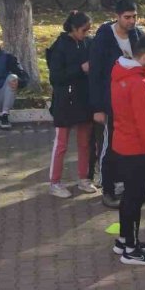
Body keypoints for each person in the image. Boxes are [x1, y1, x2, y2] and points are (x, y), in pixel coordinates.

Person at [88, 0, 145, 208]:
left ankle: (134, 188)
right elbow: (95, 74)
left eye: (134, 16)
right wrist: (98, 108)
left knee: (136, 148)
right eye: (127, 17)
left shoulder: (139, 36)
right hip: (112, 103)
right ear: (117, 16)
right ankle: (108, 190)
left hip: (136, 102)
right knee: (110, 148)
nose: (132, 21)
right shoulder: (103, 39)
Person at [110, 35, 145, 265]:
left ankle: (124, 239)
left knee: (128, 197)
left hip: (121, 145)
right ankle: (131, 250)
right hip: (137, 150)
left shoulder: (119, 73)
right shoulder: (138, 83)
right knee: (135, 199)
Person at [47, 11, 95, 198]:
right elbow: (55, 77)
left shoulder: (88, 43)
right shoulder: (59, 47)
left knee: (85, 143)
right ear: (73, 28)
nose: (87, 33)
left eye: (89, 30)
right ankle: (55, 182)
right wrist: (80, 69)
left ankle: (84, 178)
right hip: (65, 101)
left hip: (84, 99)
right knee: (61, 144)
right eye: (84, 30)